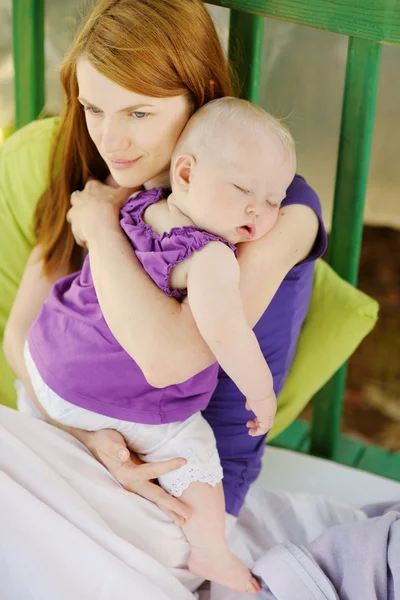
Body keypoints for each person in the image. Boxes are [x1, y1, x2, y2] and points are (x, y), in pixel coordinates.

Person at [3, 0, 326, 567]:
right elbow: (21, 335)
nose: (111, 138)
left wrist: (103, 233)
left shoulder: (275, 213)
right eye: (95, 108)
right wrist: (86, 439)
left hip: (184, 490)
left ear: (198, 93)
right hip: (79, 440)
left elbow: (168, 361)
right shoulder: (104, 182)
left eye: (139, 113)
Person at [23, 96, 296, 593]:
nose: (259, 208)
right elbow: (225, 332)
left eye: (275, 199)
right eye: (244, 190)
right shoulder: (212, 258)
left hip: (46, 365)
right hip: (114, 400)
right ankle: (213, 553)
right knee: (195, 451)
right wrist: (260, 393)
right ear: (186, 173)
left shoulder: (138, 202)